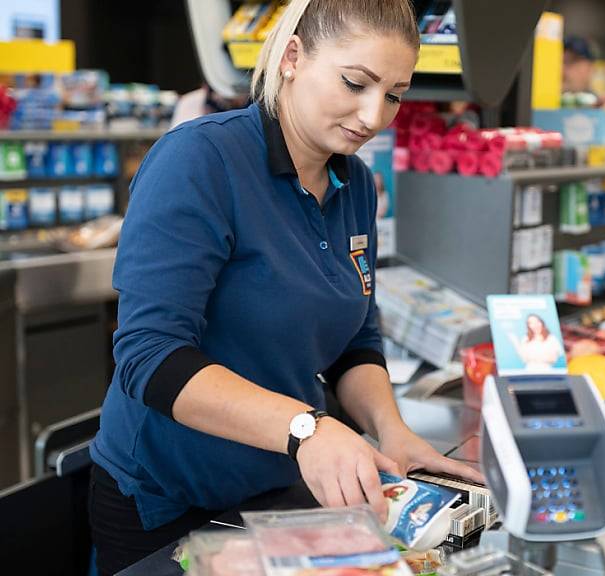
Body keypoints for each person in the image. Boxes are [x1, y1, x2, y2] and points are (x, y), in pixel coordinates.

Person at [87, 2, 481, 574]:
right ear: (293, 57)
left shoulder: (356, 185)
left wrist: (391, 430)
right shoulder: (200, 160)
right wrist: (307, 428)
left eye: (394, 94)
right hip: (169, 498)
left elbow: (355, 340)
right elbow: (151, 357)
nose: (373, 115)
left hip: (282, 489)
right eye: (355, 83)